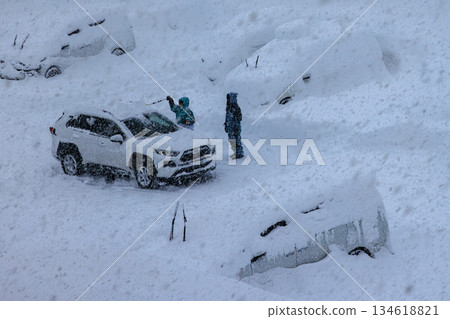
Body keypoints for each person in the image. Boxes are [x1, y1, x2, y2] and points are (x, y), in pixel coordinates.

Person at [224, 92, 244, 159]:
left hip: (232, 127)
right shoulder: (236, 107)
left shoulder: (231, 108)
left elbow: (229, 118)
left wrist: (228, 126)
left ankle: (236, 153)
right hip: (236, 127)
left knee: (232, 139)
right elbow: (239, 118)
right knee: (237, 139)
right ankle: (239, 152)